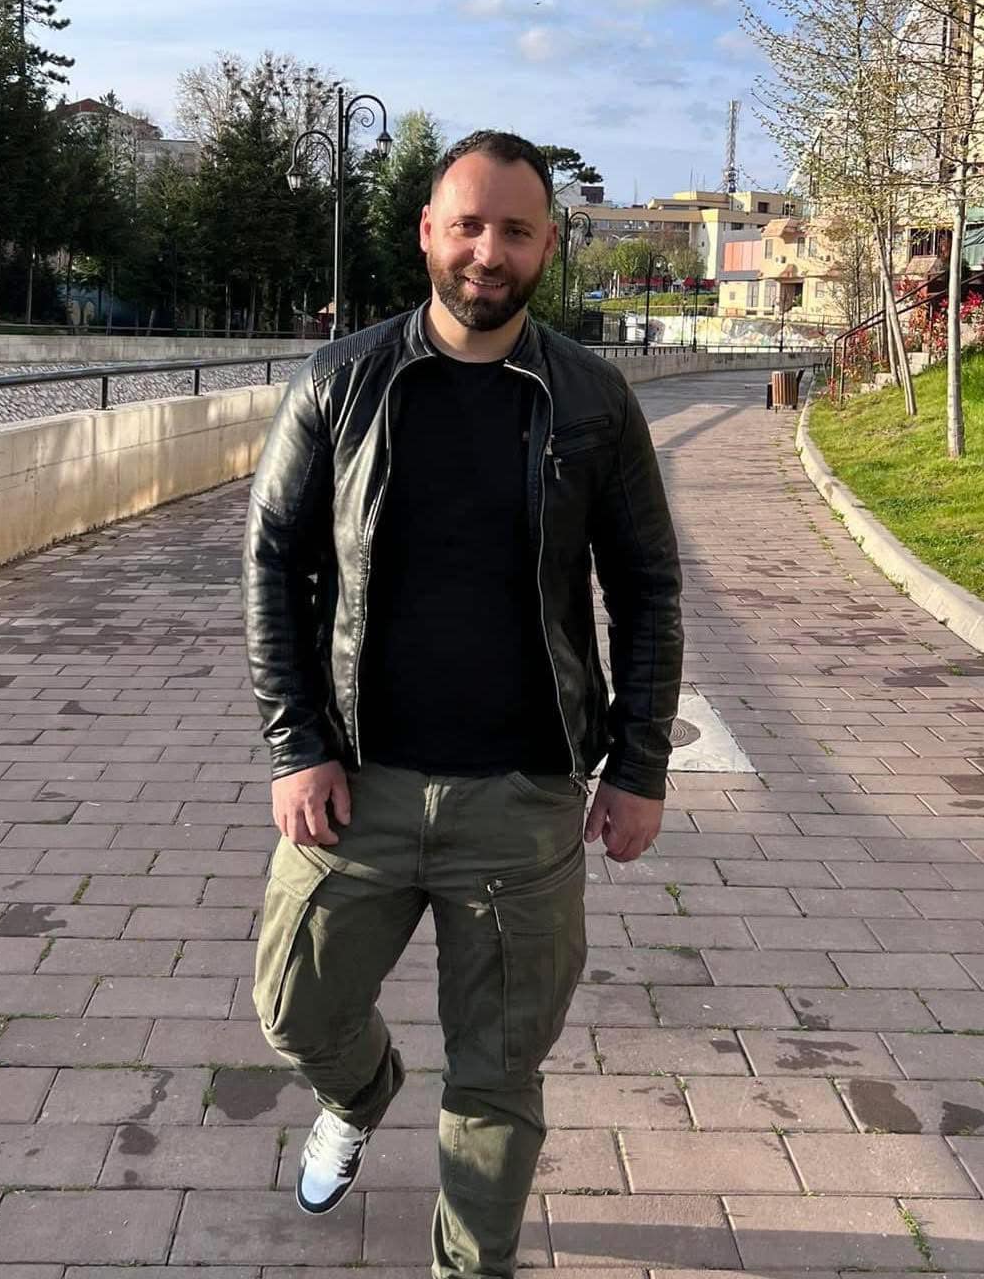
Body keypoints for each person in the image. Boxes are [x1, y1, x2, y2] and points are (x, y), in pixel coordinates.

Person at [243, 130, 683, 1279]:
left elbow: (645, 585)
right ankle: (360, 1093)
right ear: (428, 234)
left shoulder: (590, 400)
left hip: (522, 800)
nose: (489, 252)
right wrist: (296, 745)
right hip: (355, 784)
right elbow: (274, 564)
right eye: (469, 226)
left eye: (515, 231)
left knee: (495, 1073)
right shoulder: (338, 382)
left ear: (547, 246)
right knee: (294, 1009)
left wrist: (638, 766)